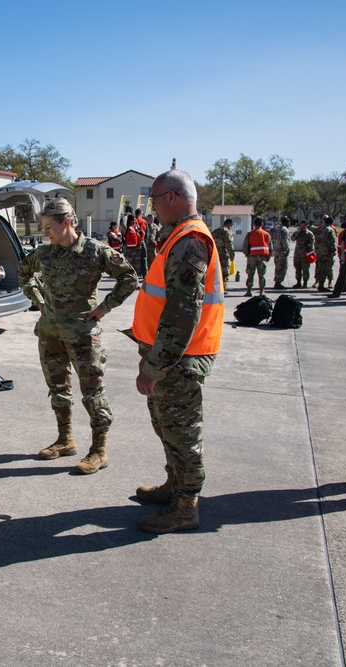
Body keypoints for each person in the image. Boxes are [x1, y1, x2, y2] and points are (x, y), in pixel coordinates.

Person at [130, 169, 224, 532]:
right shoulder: (178, 237)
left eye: (154, 200)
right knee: (167, 427)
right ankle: (175, 486)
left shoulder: (189, 240)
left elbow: (182, 314)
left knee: (183, 434)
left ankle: (186, 507)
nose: (152, 208)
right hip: (170, 355)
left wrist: (153, 366)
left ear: (171, 197)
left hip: (180, 359)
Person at [19, 197, 138, 474]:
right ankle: (65, 439)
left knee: (93, 393)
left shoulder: (95, 251)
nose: (44, 231)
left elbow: (129, 277)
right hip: (50, 332)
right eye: (43, 226)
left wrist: (103, 308)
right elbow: (24, 273)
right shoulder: (45, 253)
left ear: (67, 222)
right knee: (58, 388)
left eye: (49, 226)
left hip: (83, 336)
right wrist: (38, 300)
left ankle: (99, 450)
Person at [243, 217, 271, 296]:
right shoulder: (266, 234)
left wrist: (247, 254)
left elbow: (245, 246)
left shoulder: (250, 234)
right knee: (261, 274)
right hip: (262, 257)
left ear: (254, 224)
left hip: (252, 256)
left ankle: (249, 291)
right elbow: (270, 246)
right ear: (262, 224)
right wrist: (268, 256)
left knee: (250, 274)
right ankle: (262, 291)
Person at [314, 215, 338, 291]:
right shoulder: (330, 230)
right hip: (327, 252)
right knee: (326, 268)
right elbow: (333, 242)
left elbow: (316, 240)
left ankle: (318, 282)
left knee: (319, 268)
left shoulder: (319, 229)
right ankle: (321, 285)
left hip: (319, 252)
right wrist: (333, 251)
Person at [291, 219, 316, 288]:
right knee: (297, 268)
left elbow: (312, 245)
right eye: (301, 225)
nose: (302, 227)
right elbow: (292, 238)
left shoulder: (309, 234)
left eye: (303, 225)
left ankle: (305, 283)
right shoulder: (298, 232)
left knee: (305, 269)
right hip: (297, 254)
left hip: (305, 254)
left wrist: (310, 253)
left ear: (306, 226)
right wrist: (297, 233)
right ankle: (298, 282)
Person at [212, 219, 235, 289]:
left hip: (215, 255)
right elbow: (229, 245)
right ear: (229, 225)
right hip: (224, 256)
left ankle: (216, 288)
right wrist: (232, 256)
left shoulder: (215, 231)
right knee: (225, 273)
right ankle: (223, 289)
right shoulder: (226, 232)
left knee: (216, 273)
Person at [270, 216, 291, 289]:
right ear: (287, 223)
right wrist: (287, 250)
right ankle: (278, 282)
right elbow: (285, 241)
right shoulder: (284, 230)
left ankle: (277, 281)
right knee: (283, 267)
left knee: (277, 267)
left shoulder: (276, 229)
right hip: (282, 251)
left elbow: (271, 238)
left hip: (276, 251)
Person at [123, 213, 142, 278]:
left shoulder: (135, 228)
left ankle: (135, 282)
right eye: (133, 220)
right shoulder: (127, 228)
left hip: (136, 250)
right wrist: (125, 216)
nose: (134, 221)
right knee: (128, 267)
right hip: (129, 251)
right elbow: (122, 223)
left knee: (136, 268)